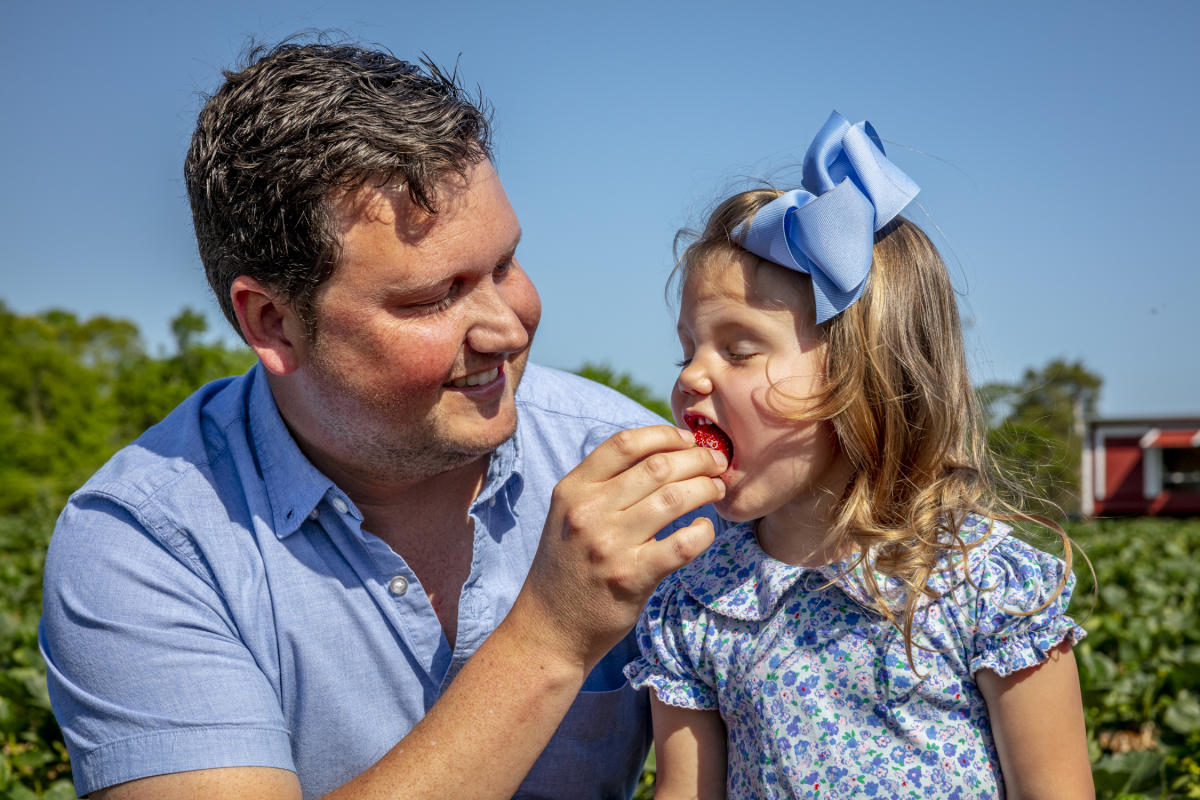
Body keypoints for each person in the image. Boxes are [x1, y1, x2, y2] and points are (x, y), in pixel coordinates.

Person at [38, 41, 727, 800]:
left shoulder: (626, 459)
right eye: (434, 297)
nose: (505, 328)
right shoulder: (146, 546)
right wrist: (551, 638)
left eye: (504, 265)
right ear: (271, 321)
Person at [624, 111, 1094, 798]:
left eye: (739, 349)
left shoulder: (985, 589)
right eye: (687, 348)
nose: (691, 377)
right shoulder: (698, 602)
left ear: (865, 378)